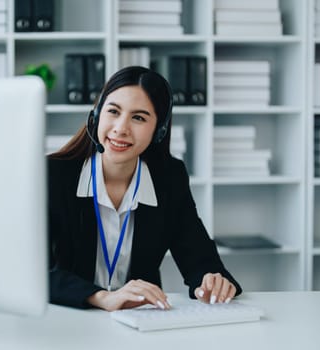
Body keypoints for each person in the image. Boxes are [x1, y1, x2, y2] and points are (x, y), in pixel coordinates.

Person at [48, 66, 242, 311]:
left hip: (139, 320)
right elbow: (33, 272)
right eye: (113, 112)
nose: (121, 128)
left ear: (158, 131)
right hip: (69, 319)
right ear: (95, 116)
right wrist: (101, 297)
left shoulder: (169, 178)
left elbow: (199, 258)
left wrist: (212, 281)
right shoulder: (54, 176)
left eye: (138, 117)